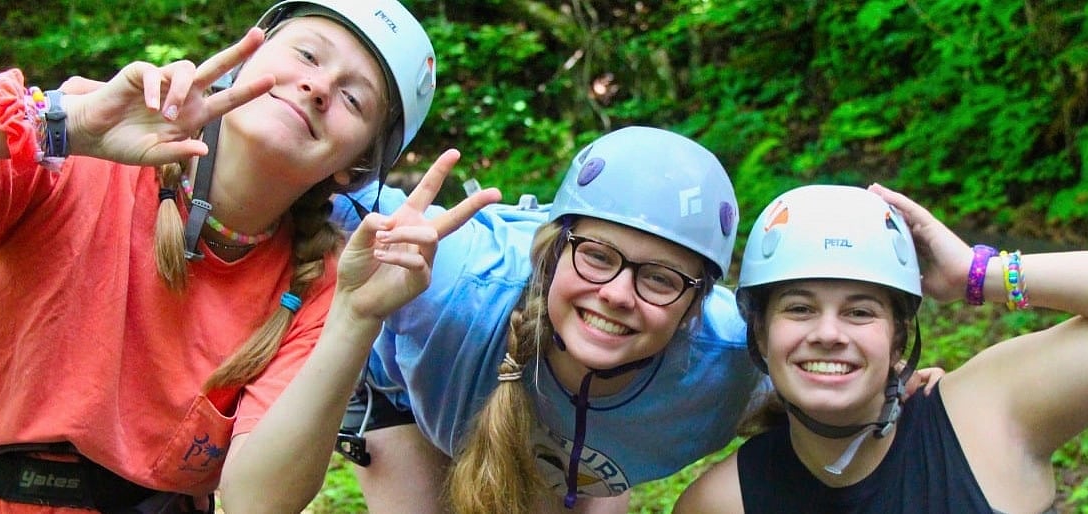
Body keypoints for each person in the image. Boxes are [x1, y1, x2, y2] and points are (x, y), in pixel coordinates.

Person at [0, 0, 477, 511]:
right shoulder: (76, 150)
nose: (318, 88)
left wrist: (356, 318)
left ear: (355, 167)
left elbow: (255, 501)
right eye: (307, 55)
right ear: (247, 58)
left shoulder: (321, 287)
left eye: (353, 99)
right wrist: (63, 126)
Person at [327, 125, 764, 514]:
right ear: (553, 254)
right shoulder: (454, 284)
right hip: (403, 394)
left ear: (696, 306)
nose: (615, 294)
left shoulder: (732, 360)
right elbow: (325, 187)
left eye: (660, 279)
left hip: (585, 422)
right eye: (597, 255)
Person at [673, 184, 1088, 513]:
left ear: (899, 339)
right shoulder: (725, 501)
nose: (828, 332)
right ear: (760, 335)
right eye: (800, 309)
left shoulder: (984, 419)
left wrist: (975, 275)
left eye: (860, 311)